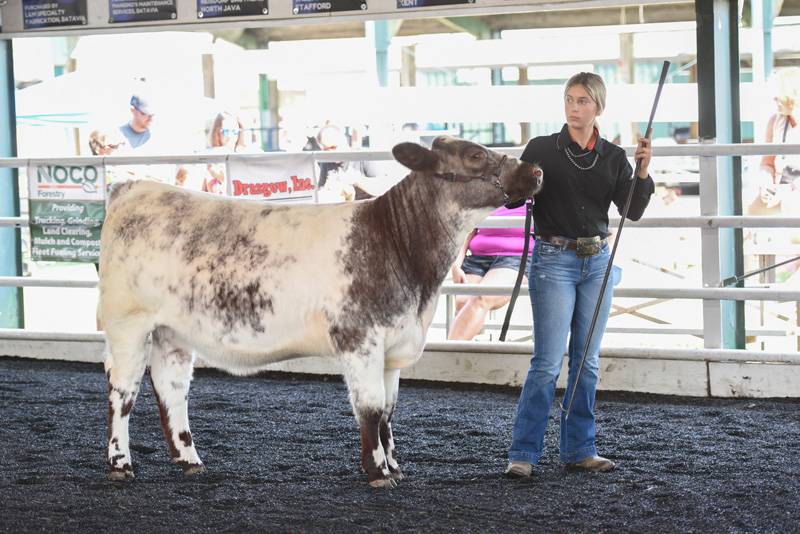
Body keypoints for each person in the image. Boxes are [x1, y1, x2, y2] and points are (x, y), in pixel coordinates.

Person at [505, 72, 654, 477]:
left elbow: (632, 210)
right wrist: (519, 183)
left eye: (583, 101)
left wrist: (641, 173)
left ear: (598, 107)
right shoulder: (541, 149)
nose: (574, 107)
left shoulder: (613, 156)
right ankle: (523, 453)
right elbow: (513, 200)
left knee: (586, 362)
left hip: (598, 262)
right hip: (552, 259)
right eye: (569, 99)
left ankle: (579, 449)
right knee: (548, 362)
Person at [448, 205, 534, 340]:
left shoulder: (534, 190)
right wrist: (456, 264)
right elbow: (467, 229)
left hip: (515, 257)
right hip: (478, 257)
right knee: (462, 302)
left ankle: (446, 357)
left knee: (481, 298)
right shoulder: (487, 188)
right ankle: (467, 354)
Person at [750, 67, 800, 215]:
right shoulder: (775, 121)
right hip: (783, 188)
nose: (775, 100)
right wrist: (766, 184)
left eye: (779, 96)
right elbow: (767, 163)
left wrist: (787, 192)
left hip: (791, 191)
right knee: (751, 208)